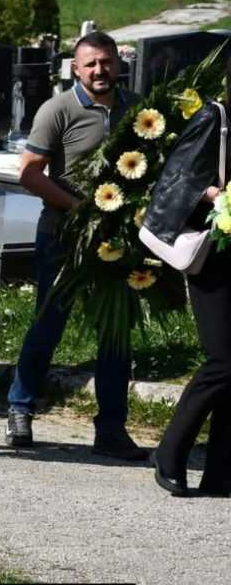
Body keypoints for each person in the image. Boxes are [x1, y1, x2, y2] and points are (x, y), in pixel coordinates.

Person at [6, 31, 146, 459]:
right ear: (76, 69)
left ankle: (111, 428)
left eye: (106, 62)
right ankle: (20, 407)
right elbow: (30, 173)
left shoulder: (136, 109)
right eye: (90, 64)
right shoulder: (59, 109)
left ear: (117, 64)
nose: (99, 70)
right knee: (49, 324)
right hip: (64, 236)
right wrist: (82, 209)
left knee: (115, 333)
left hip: (119, 239)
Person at [144, 59, 231, 496]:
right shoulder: (214, 118)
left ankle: (221, 471)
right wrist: (218, 195)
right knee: (223, 360)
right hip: (214, 255)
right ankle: (170, 451)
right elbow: (177, 178)